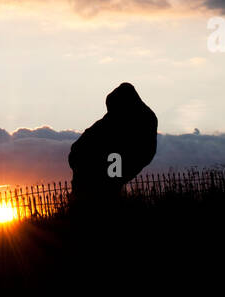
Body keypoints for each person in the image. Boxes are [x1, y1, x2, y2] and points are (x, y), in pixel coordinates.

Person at [68, 83, 158, 212]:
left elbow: (142, 151)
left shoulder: (132, 118)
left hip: (114, 159)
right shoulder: (113, 120)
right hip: (95, 160)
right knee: (106, 190)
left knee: (109, 189)